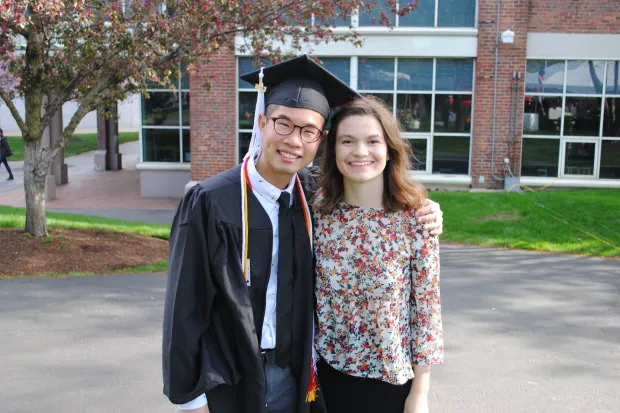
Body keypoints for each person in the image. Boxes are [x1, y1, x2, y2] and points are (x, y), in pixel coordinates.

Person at [162, 56, 444, 413]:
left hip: (298, 380)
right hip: (228, 380)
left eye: (308, 130)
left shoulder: (313, 197)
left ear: (319, 140)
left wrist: (427, 209)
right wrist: (191, 402)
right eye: (283, 124)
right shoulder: (212, 201)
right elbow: (184, 310)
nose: (294, 140)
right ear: (262, 122)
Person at [313, 96, 444, 413]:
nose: (360, 151)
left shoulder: (415, 219)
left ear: (389, 150)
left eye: (373, 141)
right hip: (323, 378)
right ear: (333, 149)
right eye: (347, 141)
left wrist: (420, 394)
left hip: (389, 381)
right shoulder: (316, 212)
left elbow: (425, 312)